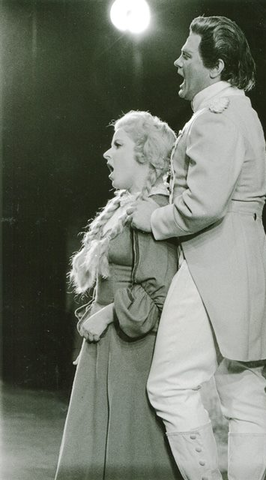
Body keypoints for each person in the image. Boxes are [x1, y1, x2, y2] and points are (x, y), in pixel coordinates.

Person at [129, 16, 266, 480]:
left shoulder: (215, 116)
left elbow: (204, 205)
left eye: (186, 55)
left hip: (212, 259)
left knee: (170, 386)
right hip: (246, 256)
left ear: (215, 67)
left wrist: (152, 219)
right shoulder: (241, 109)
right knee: (242, 388)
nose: (177, 62)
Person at [54, 111, 182, 480]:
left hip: (131, 352)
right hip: (109, 347)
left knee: (130, 451)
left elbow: (160, 296)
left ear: (145, 154)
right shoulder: (126, 208)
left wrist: (108, 314)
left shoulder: (154, 211)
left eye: (118, 145)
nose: (107, 154)